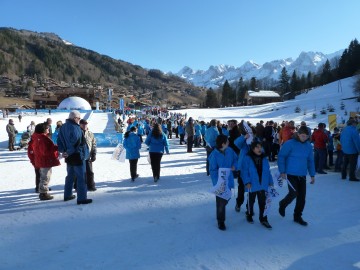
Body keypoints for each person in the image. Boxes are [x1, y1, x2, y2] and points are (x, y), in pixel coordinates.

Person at [277, 126, 315, 226]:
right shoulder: (290, 143)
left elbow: (310, 161)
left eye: (307, 136)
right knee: (293, 193)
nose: (305, 138)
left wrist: (312, 174)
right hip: (291, 173)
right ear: (298, 134)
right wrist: (282, 171)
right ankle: (283, 204)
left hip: (302, 174)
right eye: (303, 135)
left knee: (302, 197)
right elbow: (281, 157)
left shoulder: (308, 146)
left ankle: (297, 216)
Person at [57, 110, 92, 205]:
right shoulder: (75, 127)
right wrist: (68, 152)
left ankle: (67, 195)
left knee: (70, 176)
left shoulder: (63, 127)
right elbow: (76, 142)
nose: (79, 120)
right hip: (77, 156)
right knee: (81, 178)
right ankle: (82, 198)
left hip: (69, 157)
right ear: (74, 118)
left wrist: (63, 151)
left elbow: (59, 141)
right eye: (79, 118)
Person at [241, 141, 274, 229]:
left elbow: (268, 171)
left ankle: (263, 219)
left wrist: (270, 182)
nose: (260, 149)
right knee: (251, 201)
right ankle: (249, 214)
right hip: (252, 184)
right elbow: (244, 172)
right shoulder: (247, 158)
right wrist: (247, 182)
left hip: (263, 184)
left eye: (260, 147)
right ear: (253, 148)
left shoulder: (264, 158)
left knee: (263, 202)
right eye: (257, 147)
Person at [208, 134, 238, 231]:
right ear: (223, 143)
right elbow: (212, 170)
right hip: (219, 183)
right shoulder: (214, 155)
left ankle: (220, 211)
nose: (229, 142)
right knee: (220, 202)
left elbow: (236, 159)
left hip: (228, 180)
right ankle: (221, 221)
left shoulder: (230, 150)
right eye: (227, 141)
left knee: (227, 197)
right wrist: (218, 182)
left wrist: (234, 166)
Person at [31, 123, 61, 200]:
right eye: (47, 128)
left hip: (42, 160)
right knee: (45, 177)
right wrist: (56, 148)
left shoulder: (38, 137)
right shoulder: (42, 138)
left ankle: (43, 190)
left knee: (44, 176)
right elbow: (45, 151)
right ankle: (43, 193)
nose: (48, 129)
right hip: (45, 161)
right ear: (43, 129)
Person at [80, 119, 97, 191]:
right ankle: (78, 186)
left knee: (90, 171)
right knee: (79, 172)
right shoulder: (77, 132)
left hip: (88, 155)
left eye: (86, 124)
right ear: (80, 124)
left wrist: (94, 153)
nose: (85, 125)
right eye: (83, 124)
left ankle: (91, 185)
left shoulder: (90, 133)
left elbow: (94, 144)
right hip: (79, 156)